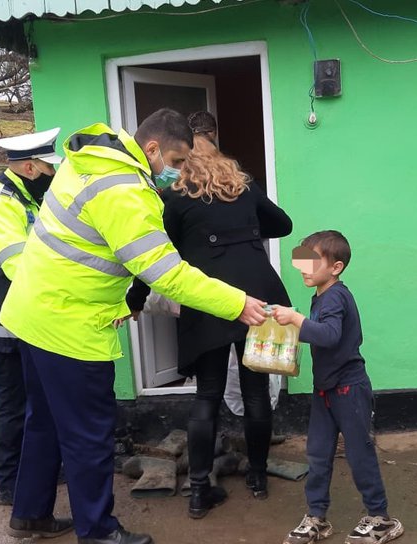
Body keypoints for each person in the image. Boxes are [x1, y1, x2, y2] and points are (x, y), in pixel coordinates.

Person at [0, 109, 268, 544]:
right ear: (153, 148)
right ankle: (99, 532)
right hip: (70, 327)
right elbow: (167, 274)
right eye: (177, 162)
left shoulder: (86, 162)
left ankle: (30, 514)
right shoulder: (125, 190)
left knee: (43, 422)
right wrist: (237, 304)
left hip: (33, 313)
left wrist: (120, 299)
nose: (178, 173)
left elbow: (85, 248)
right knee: (89, 437)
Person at [125, 134, 292, 518]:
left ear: (182, 163)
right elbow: (282, 224)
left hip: (207, 300)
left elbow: (154, 258)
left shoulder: (174, 199)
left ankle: (199, 491)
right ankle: (258, 479)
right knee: (255, 392)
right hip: (259, 294)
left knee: (208, 395)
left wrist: (134, 301)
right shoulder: (243, 187)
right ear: (221, 159)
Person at [272, 231, 404, 544]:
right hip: (325, 390)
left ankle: (381, 519)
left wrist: (295, 319)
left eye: (312, 260)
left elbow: (330, 335)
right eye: (301, 258)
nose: (303, 266)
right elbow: (320, 334)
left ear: (336, 267)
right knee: (317, 456)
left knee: (360, 454)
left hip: (349, 389)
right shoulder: (320, 295)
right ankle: (317, 519)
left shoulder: (336, 297)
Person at [0, 127, 61, 506]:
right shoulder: (2, 205)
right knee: (11, 404)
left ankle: (42, 470)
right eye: (48, 168)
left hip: (27, 322)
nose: (54, 175)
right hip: (4, 326)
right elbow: (19, 267)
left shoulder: (26, 199)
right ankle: (9, 483)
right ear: (29, 168)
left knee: (36, 400)